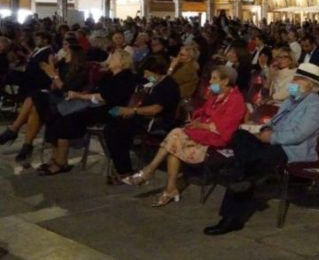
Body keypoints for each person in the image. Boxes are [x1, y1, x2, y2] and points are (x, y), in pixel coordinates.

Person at [204, 62, 319, 235]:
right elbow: (273, 122)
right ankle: (247, 177)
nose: (294, 82)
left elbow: (299, 134)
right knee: (240, 137)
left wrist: (272, 137)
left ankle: (231, 217)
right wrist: (262, 130)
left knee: (244, 169)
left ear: (311, 85)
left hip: (290, 150)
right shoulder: (291, 101)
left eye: (299, 80)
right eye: (295, 78)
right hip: (270, 140)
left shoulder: (315, 106)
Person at [124, 66, 246, 207]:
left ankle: (149, 171)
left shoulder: (236, 101)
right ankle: (169, 189)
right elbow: (203, 112)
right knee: (174, 146)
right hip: (200, 132)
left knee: (175, 134)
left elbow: (225, 128)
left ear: (225, 81)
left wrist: (200, 125)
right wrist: (194, 117)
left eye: (214, 79)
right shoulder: (215, 96)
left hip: (216, 138)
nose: (210, 82)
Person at [39, 49, 138, 174]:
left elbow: (105, 96)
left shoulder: (125, 77)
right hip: (95, 105)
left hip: (109, 109)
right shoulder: (109, 75)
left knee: (65, 121)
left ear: (122, 62)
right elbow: (96, 92)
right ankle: (56, 158)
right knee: (54, 117)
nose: (110, 59)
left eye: (114, 58)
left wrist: (79, 96)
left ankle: (61, 162)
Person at [102, 55, 181, 183]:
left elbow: (156, 108)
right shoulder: (154, 81)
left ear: (156, 71)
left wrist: (132, 110)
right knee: (112, 124)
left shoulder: (168, 85)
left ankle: (124, 171)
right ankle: (122, 166)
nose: (145, 75)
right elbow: (141, 88)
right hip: (142, 117)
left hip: (157, 122)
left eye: (147, 72)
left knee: (115, 131)